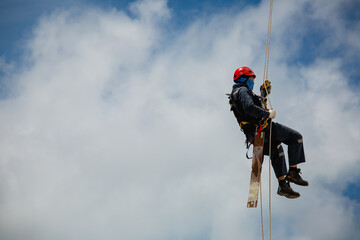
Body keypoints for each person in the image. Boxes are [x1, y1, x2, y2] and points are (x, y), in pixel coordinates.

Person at [229, 66, 308, 199]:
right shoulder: (242, 90)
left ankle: (283, 185)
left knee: (277, 149)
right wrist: (267, 114)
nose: (252, 81)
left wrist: (263, 96)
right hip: (262, 128)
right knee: (296, 137)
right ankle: (293, 172)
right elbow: (249, 108)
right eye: (251, 79)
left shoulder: (238, 93)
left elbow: (250, 107)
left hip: (254, 134)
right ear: (244, 78)